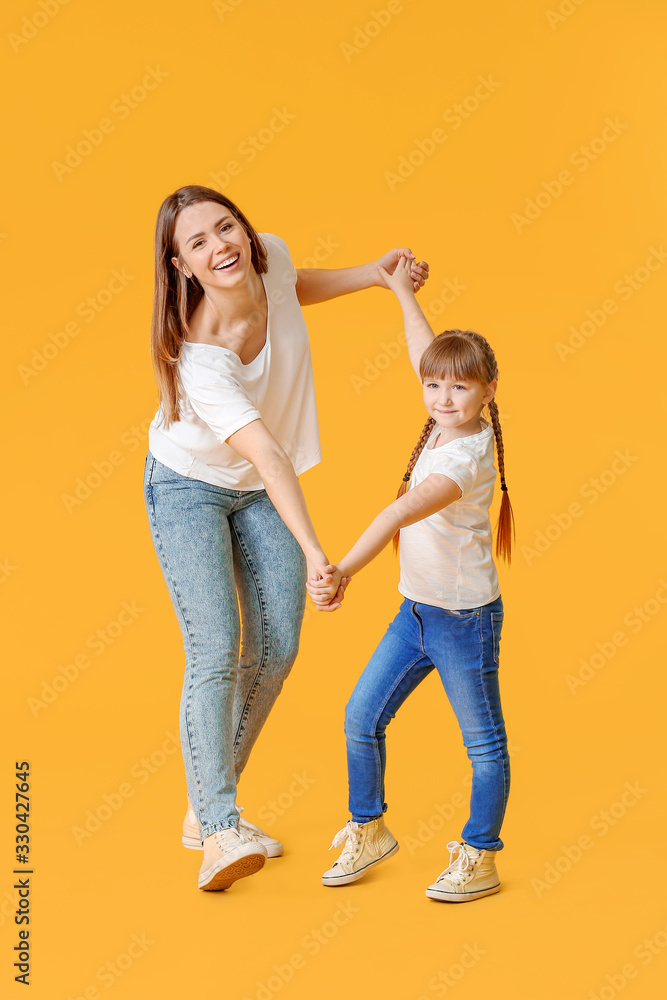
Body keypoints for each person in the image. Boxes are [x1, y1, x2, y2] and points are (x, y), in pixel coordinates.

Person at [142, 185, 429, 891]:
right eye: (199, 244)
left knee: (277, 647)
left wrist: (374, 274)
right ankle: (216, 830)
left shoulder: (265, 254)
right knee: (215, 648)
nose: (221, 247)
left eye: (225, 227)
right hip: (188, 487)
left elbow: (293, 283)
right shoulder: (200, 357)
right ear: (180, 266)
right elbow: (268, 455)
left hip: (252, 485)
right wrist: (313, 552)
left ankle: (206, 802)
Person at [307, 253, 515, 902]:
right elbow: (423, 349)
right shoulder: (441, 414)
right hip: (416, 614)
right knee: (359, 718)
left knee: (483, 747)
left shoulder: (463, 457)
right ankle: (369, 828)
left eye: (458, 388)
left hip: (462, 621)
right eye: (433, 388)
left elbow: (399, 511)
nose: (442, 398)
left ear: (487, 392)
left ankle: (479, 854)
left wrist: (340, 568)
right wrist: (396, 288)